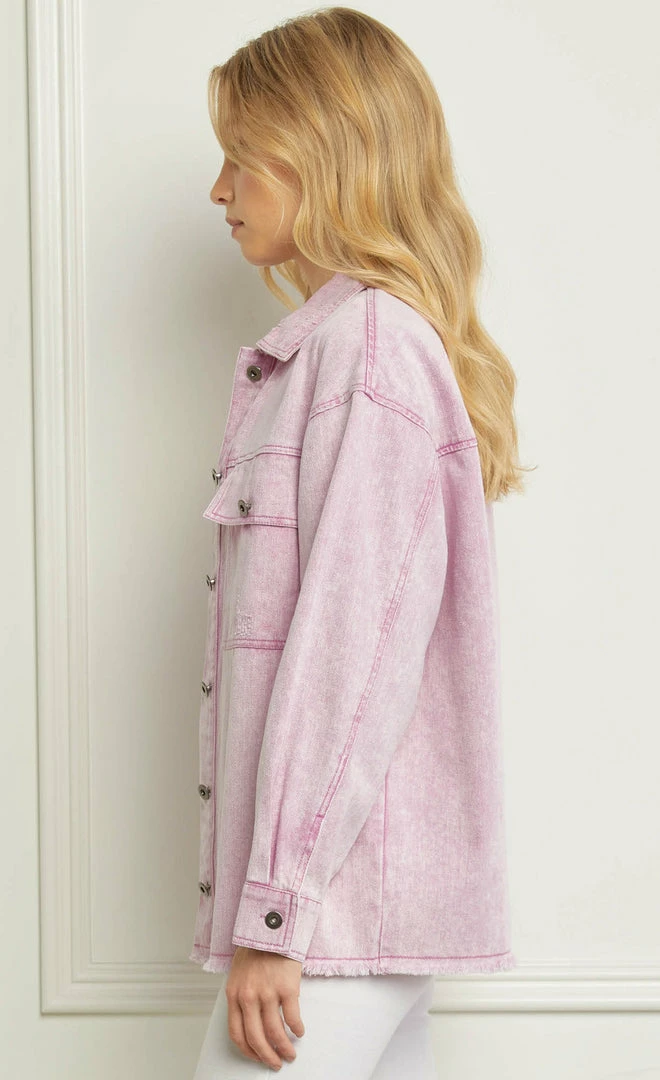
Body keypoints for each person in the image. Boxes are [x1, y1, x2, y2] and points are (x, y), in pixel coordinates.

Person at [190, 7, 530, 1077]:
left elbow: (352, 657)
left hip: (330, 925)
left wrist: (276, 914)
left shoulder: (367, 347)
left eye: (241, 156)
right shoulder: (352, 348)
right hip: (349, 917)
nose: (219, 189)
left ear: (323, 152)